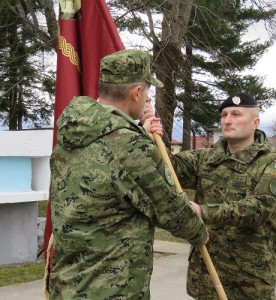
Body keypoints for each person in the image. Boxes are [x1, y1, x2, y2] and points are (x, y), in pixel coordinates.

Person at [49, 49, 208, 299]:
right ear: (136, 93)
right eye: (146, 91)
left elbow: (111, 175)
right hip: (112, 289)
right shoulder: (130, 146)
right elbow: (171, 211)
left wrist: (141, 135)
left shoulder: (73, 132)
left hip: (69, 285)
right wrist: (200, 230)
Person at [170, 92, 276, 299]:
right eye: (224, 115)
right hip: (206, 275)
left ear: (255, 123)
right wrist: (148, 135)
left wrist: (203, 212)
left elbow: (259, 209)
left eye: (236, 114)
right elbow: (166, 168)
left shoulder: (271, 164)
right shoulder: (206, 158)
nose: (227, 120)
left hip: (247, 281)